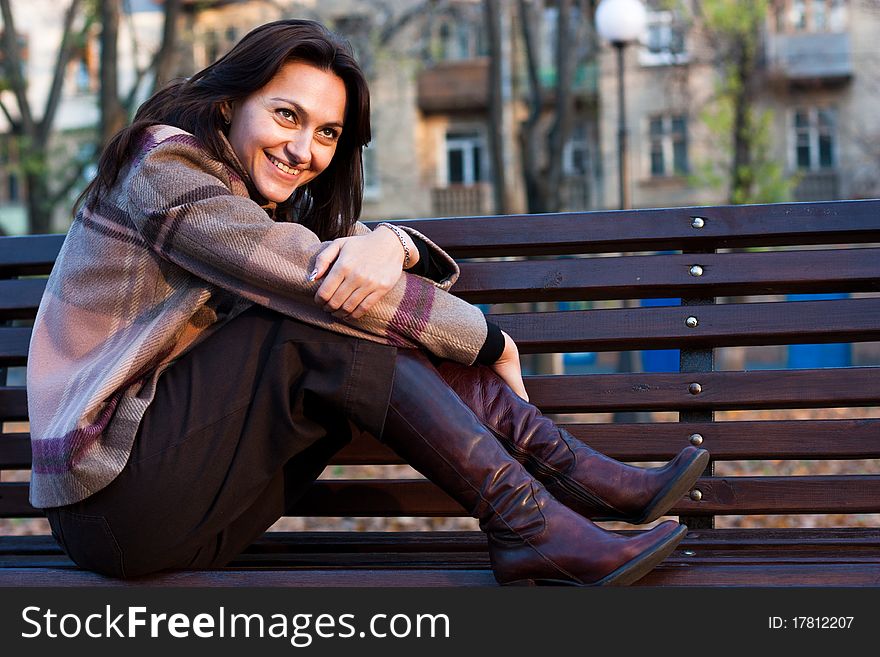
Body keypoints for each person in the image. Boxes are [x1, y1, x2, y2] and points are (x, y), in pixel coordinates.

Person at [26, 19, 708, 586]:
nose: (303, 149)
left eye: (326, 133)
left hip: (199, 508)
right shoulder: (165, 168)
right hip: (112, 503)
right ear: (230, 102)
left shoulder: (256, 201)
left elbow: (354, 271)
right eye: (287, 114)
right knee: (318, 324)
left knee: (342, 311)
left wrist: (392, 246)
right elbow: (317, 280)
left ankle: (566, 484)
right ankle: (539, 512)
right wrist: (493, 341)